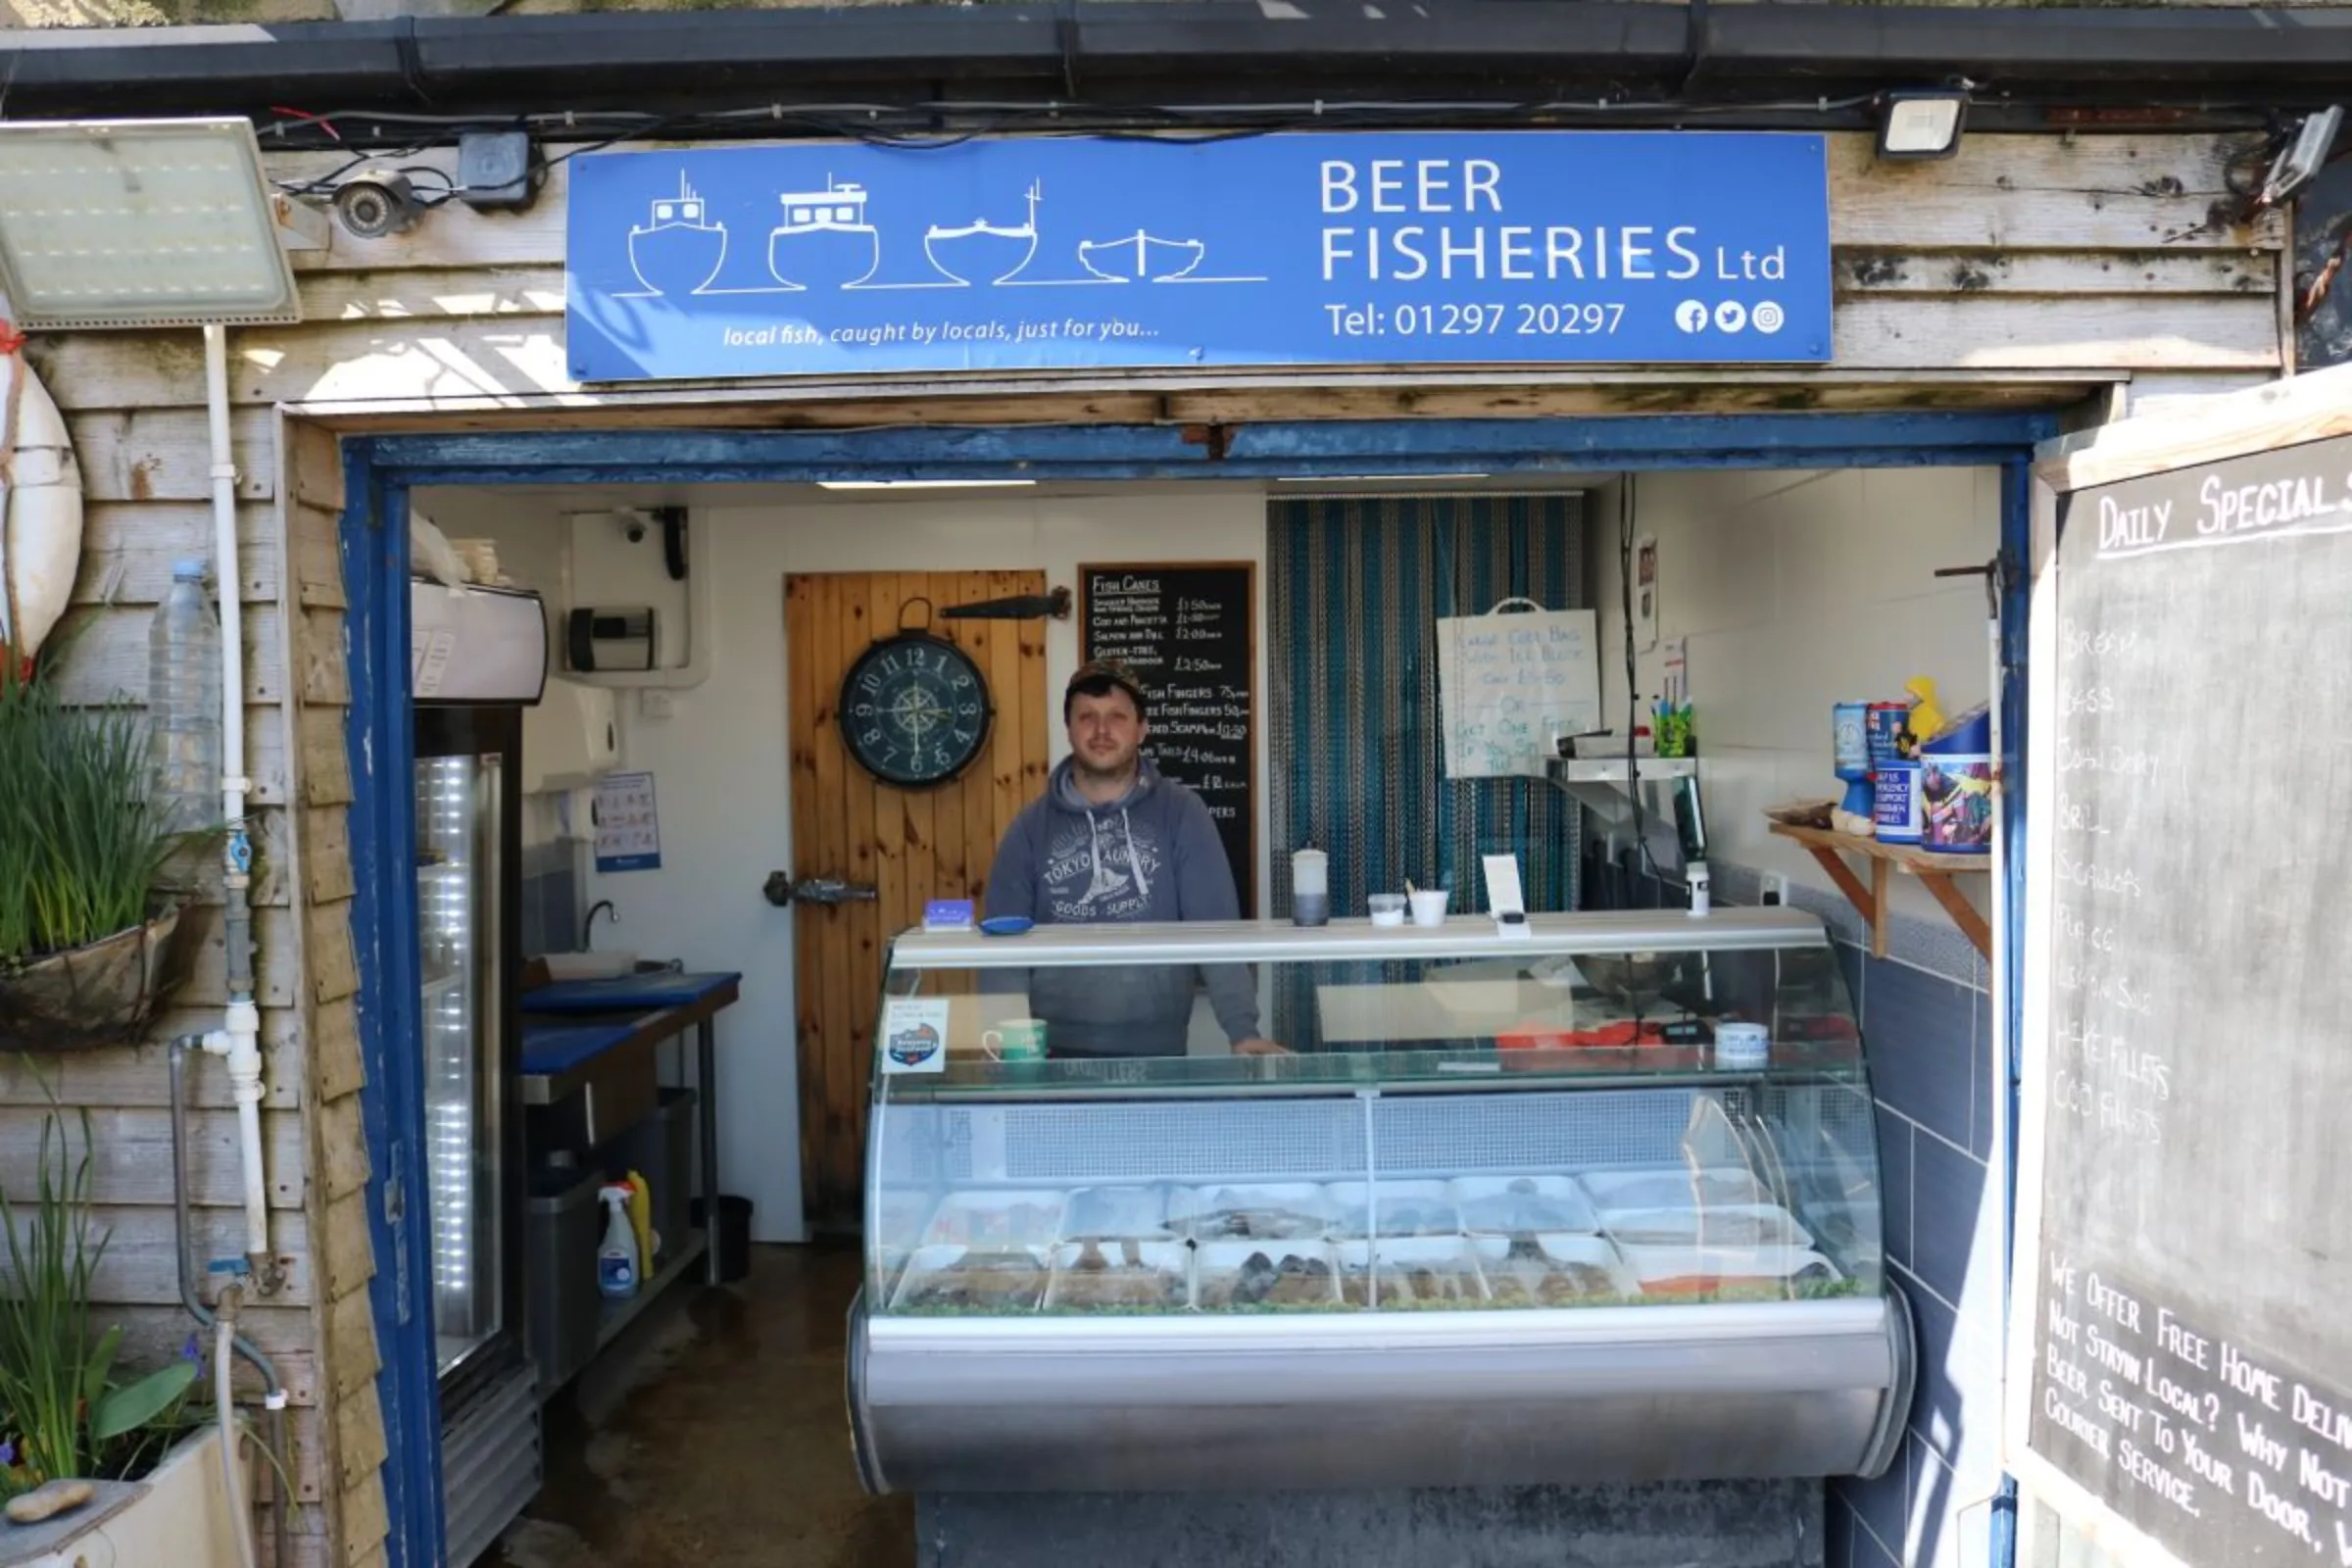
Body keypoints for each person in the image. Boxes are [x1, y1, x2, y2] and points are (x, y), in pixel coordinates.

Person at [984, 659, 1284, 1058]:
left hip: (1158, 1050)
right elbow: (1002, 954)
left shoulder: (1181, 813)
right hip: (1050, 1056)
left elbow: (1217, 930)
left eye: (1117, 717)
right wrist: (1005, 1049)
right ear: (1069, 729)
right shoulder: (1029, 829)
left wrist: (1242, 1031)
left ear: (1142, 728)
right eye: (1087, 717)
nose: (1102, 731)